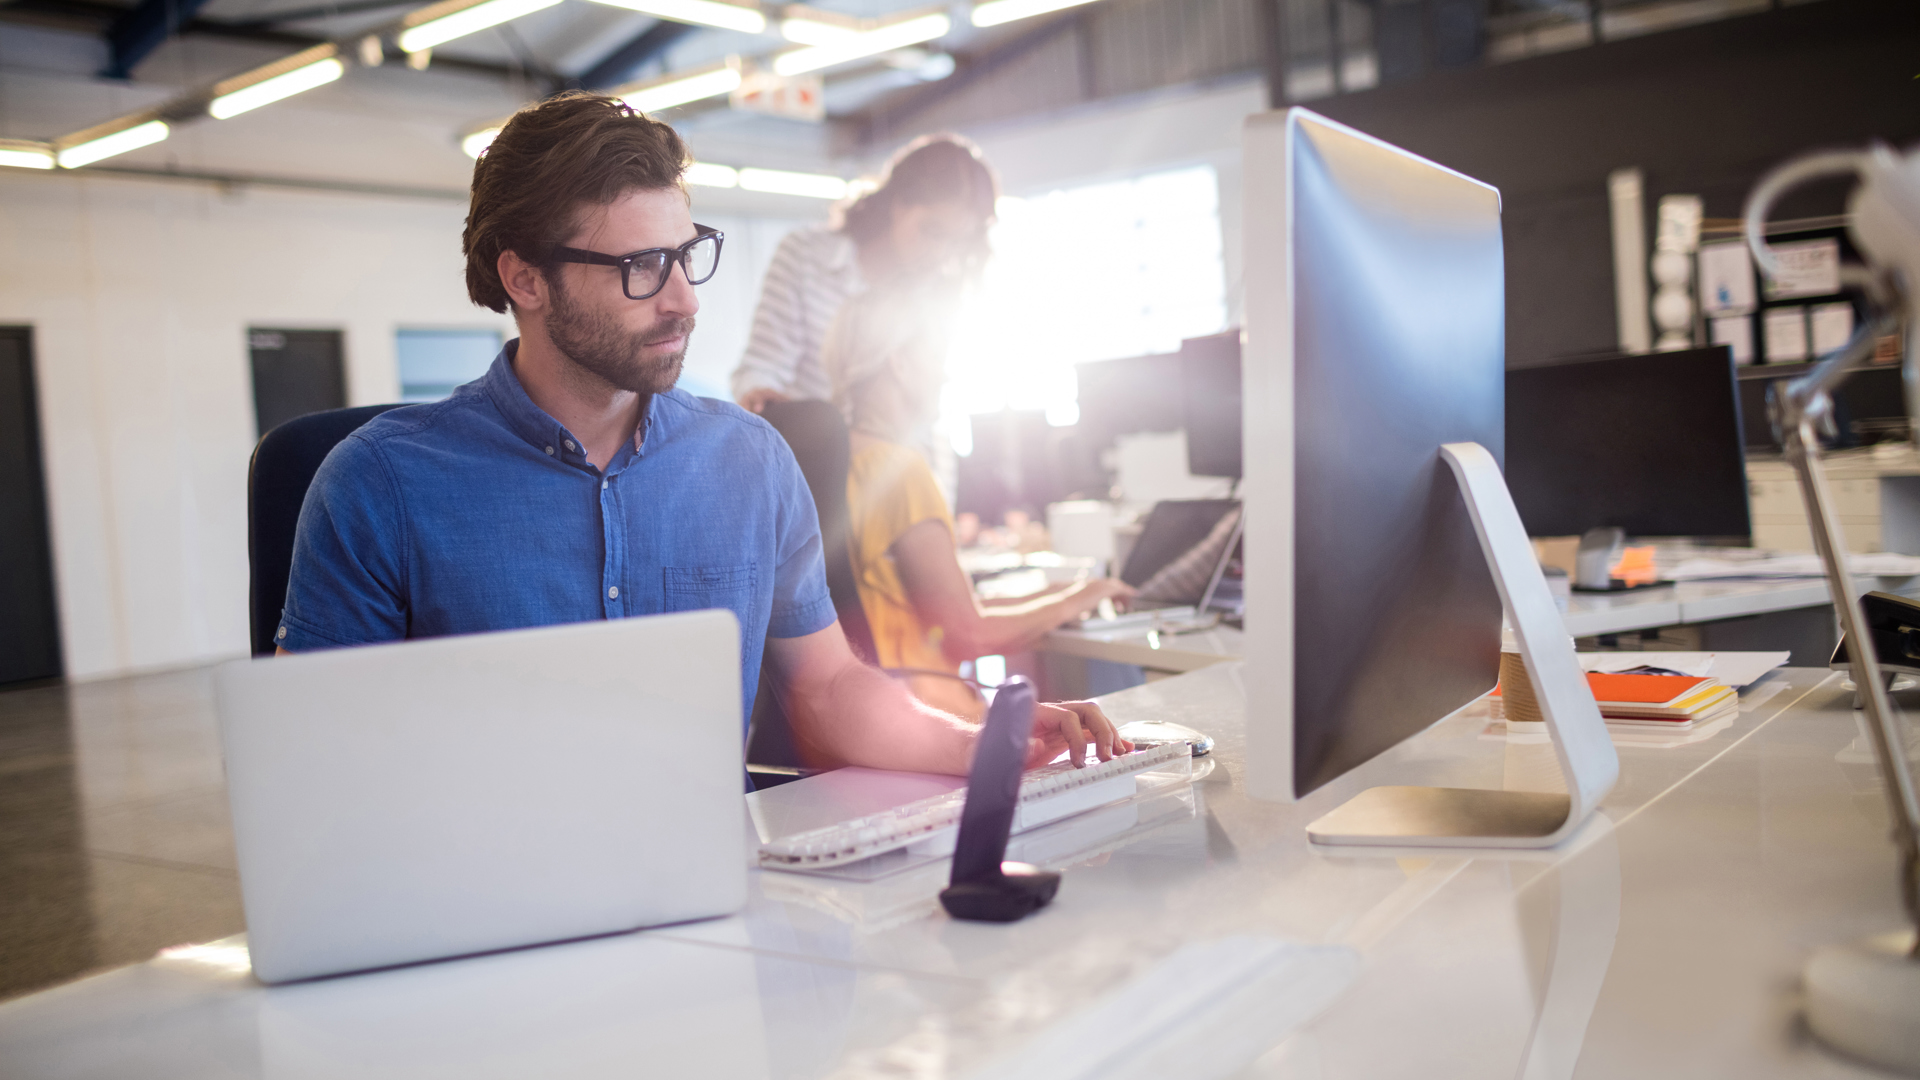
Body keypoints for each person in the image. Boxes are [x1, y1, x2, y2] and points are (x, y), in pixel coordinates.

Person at [275, 92, 1125, 774]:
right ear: (524, 277)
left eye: (687, 254)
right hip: (478, 914)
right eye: (642, 268)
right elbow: (317, 759)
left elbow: (827, 687)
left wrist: (981, 747)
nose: (684, 298)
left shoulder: (750, 461)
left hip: (718, 893)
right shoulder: (379, 483)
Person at [823, 286, 1136, 721]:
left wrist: (1070, 593)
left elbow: (939, 610)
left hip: (866, 715)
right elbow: (969, 634)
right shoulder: (897, 471)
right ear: (900, 363)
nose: (945, 376)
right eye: (936, 359)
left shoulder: (829, 463)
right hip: (932, 718)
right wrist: (1081, 598)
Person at [730, 134, 996, 417]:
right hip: (806, 454)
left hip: (891, 458)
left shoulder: (936, 295)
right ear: (899, 203)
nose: (941, 253)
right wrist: (760, 398)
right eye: (933, 231)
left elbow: (927, 414)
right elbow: (763, 367)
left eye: (956, 241)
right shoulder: (804, 255)